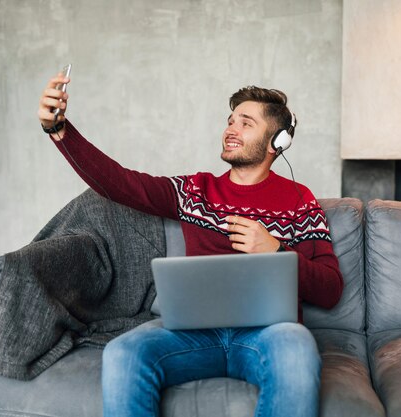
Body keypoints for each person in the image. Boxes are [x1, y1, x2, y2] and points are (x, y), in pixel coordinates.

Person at [38, 72, 344, 417]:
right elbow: (119, 183)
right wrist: (60, 131)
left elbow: (331, 289)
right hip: (194, 335)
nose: (231, 129)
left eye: (246, 123)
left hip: (268, 336)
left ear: (278, 141)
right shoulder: (195, 190)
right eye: (230, 121)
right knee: (124, 352)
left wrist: (275, 250)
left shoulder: (299, 200)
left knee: (297, 350)